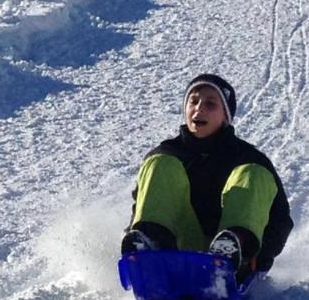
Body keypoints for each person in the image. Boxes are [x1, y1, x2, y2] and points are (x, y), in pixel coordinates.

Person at [122, 73, 293, 284]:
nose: (199, 108)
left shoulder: (249, 158)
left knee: (252, 173)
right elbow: (142, 205)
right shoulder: (167, 153)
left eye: (210, 104)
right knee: (160, 164)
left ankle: (232, 251)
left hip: (232, 259)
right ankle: (151, 250)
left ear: (225, 115)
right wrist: (134, 236)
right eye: (193, 101)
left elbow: (280, 218)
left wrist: (262, 256)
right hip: (176, 250)